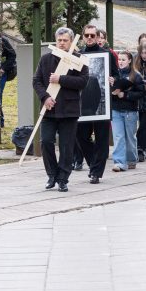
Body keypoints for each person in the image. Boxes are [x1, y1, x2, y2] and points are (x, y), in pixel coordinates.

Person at [33, 28, 88, 192]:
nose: (62, 43)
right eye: (59, 40)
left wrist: (61, 79)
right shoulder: (45, 59)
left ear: (71, 41)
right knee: (46, 142)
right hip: (49, 109)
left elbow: (83, 81)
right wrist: (45, 97)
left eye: (65, 40)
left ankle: (63, 178)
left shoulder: (78, 60)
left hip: (69, 110)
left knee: (66, 146)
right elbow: (36, 81)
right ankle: (52, 174)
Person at [77, 25, 117, 184]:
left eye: (92, 35)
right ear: (83, 37)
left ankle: (96, 173)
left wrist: (113, 80)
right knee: (81, 136)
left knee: (102, 139)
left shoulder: (107, 54)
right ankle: (94, 164)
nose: (89, 38)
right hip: (82, 105)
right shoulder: (78, 55)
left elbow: (117, 75)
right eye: (86, 35)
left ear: (97, 36)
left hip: (102, 105)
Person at [110, 51, 144, 172]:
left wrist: (125, 95)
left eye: (123, 59)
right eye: (119, 59)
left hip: (130, 111)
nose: (120, 62)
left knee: (130, 137)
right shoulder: (114, 74)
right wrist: (111, 88)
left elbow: (141, 93)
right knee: (118, 137)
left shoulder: (136, 75)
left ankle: (131, 159)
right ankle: (119, 162)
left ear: (130, 60)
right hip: (116, 109)